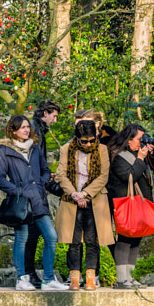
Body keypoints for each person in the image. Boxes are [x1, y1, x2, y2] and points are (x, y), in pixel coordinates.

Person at [0, 115, 67, 291]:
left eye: (27, 126)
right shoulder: (5, 150)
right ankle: (21, 279)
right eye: (22, 127)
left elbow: (45, 170)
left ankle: (48, 280)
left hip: (39, 200)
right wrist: (17, 191)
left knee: (51, 237)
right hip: (21, 203)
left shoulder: (34, 147)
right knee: (21, 239)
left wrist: (41, 183)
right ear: (13, 130)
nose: (26, 130)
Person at [55, 119, 113, 290]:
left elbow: (104, 175)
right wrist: (74, 193)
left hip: (94, 200)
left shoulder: (102, 149)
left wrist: (85, 194)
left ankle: (90, 278)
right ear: (77, 138)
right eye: (84, 141)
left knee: (92, 241)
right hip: (71, 200)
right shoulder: (66, 149)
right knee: (74, 242)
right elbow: (61, 174)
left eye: (91, 140)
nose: (88, 144)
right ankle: (74, 278)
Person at [106, 124, 154, 288]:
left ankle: (130, 277)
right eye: (139, 140)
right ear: (129, 140)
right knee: (125, 239)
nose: (141, 143)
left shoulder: (138, 153)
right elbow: (130, 175)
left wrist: (151, 151)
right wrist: (141, 159)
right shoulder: (117, 156)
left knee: (136, 240)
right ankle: (121, 279)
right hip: (126, 203)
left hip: (140, 202)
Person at [21, 101, 62, 280]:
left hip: (34, 186)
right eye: (54, 116)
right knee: (32, 233)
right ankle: (29, 274)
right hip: (34, 189)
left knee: (33, 233)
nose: (54, 121)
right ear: (45, 113)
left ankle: (30, 273)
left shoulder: (36, 128)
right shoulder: (35, 130)